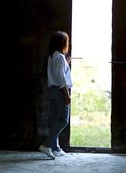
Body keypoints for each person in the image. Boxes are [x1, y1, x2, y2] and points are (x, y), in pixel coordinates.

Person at [39, 31, 72, 159]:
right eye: (66, 41)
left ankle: (55, 148)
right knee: (64, 119)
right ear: (62, 43)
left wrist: (66, 64)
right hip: (59, 90)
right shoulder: (59, 57)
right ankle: (47, 145)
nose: (67, 43)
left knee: (55, 120)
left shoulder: (52, 56)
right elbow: (60, 78)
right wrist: (67, 95)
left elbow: (57, 73)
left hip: (53, 90)